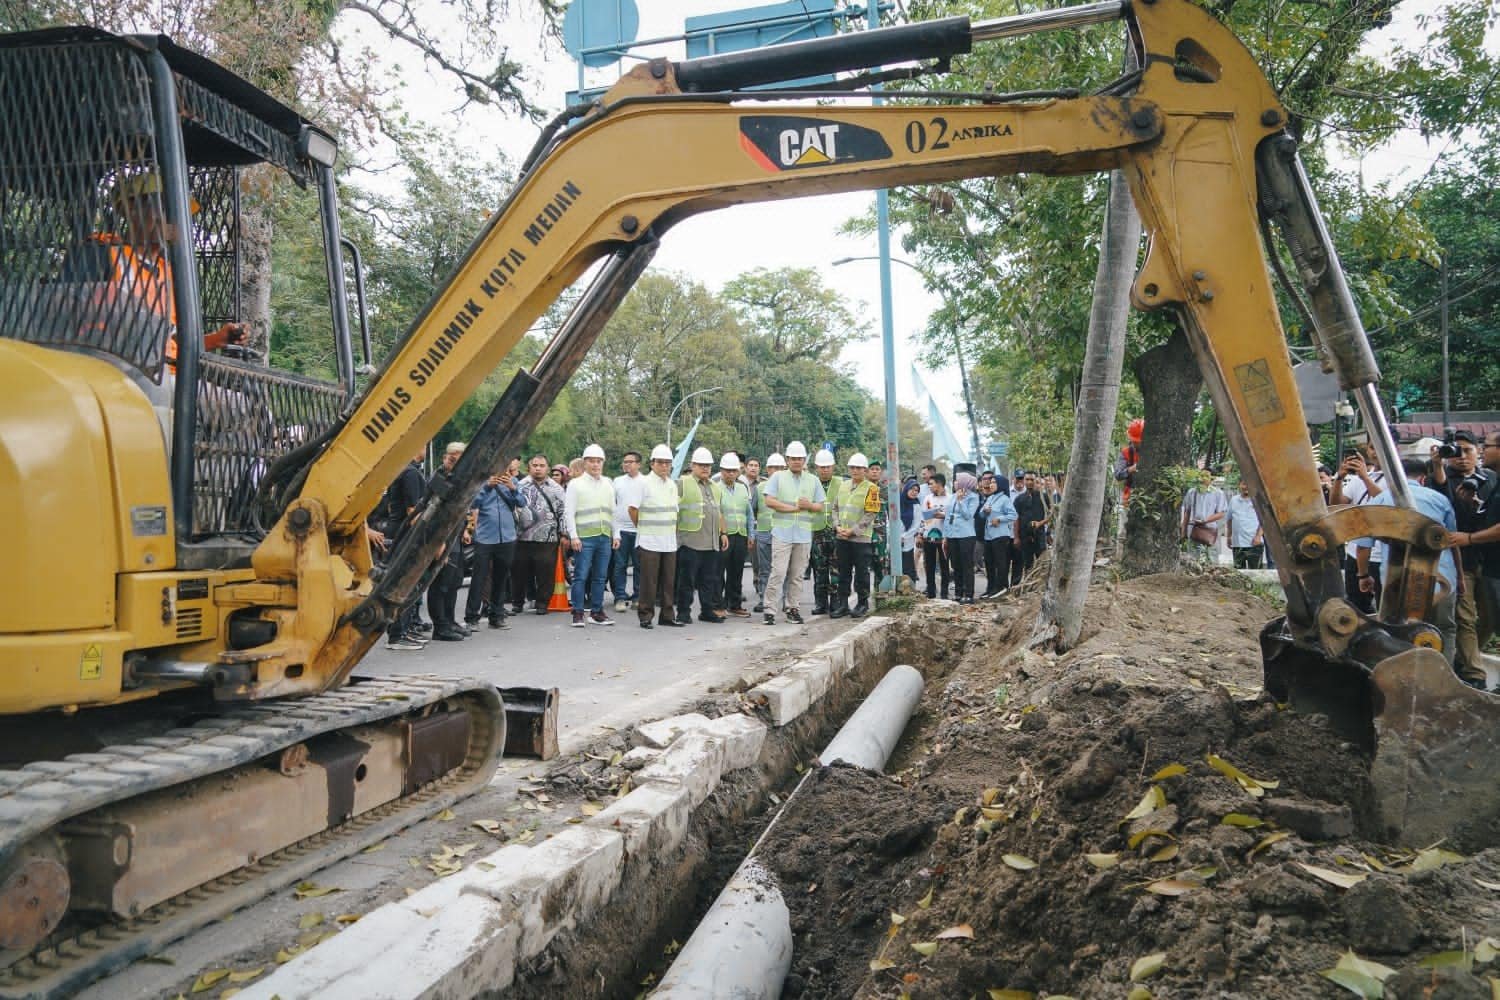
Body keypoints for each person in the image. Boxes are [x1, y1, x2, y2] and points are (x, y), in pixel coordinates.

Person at [73, 172, 249, 370]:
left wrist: (216, 339)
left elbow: (171, 339)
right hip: (119, 373)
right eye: (165, 208)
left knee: (240, 399)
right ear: (132, 209)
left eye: (178, 212)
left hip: (167, 378)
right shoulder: (101, 254)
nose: (172, 220)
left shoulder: (168, 273)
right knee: (234, 402)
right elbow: (65, 314)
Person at [1356, 457, 1460, 673]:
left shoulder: (1380, 500)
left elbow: (1364, 546)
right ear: (1423, 478)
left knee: (1394, 629)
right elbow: (1453, 540)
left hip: (1397, 581)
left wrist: (1363, 575)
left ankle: (1397, 675)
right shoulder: (1439, 499)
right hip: (1442, 578)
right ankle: (1443, 677)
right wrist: (1459, 576)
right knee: (1444, 628)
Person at [1429, 431, 1498, 684]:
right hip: (1460, 560)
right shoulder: (1443, 479)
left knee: (1490, 618)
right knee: (1465, 618)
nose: (1462, 457)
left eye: (1467, 450)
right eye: (1455, 451)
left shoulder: (1491, 478)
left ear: (1478, 451)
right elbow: (1439, 493)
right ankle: (1474, 673)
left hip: (1488, 558)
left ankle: (1465, 657)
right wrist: (1438, 465)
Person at [761, 441, 826, 625]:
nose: (797, 461)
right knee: (778, 572)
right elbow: (769, 501)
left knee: (797, 575)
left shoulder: (812, 480)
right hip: (782, 533)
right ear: (787, 460)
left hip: (803, 535)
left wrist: (809, 506)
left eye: (800, 458)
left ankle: (792, 608)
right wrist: (793, 509)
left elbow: (820, 506)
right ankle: (769, 610)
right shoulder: (778, 478)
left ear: (805, 460)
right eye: (793, 458)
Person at [564, 443, 618, 627]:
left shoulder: (608, 484)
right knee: (580, 576)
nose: (595, 465)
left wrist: (616, 534)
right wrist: (573, 536)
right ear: (585, 463)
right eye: (592, 461)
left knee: (600, 577)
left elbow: (614, 511)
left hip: (604, 536)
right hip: (584, 538)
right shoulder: (575, 484)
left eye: (598, 461)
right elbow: (569, 512)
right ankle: (578, 612)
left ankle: (596, 612)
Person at [464, 461, 523, 629]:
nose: (502, 470)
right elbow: (473, 504)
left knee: (501, 578)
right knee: (479, 578)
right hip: (485, 537)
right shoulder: (480, 482)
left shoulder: (514, 481)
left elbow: (522, 503)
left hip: (507, 536)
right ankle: (471, 618)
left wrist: (512, 488)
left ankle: (496, 616)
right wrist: (487, 487)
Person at [383, 451, 432, 651]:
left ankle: (405, 629)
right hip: (406, 534)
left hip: (400, 532)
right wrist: (424, 539)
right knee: (405, 583)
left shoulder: (406, 470)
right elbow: (414, 511)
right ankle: (398, 634)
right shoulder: (410, 473)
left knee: (408, 584)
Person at [1330, 444, 1386, 613]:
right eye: (1371, 447)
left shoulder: (1398, 479)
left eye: (1378, 446)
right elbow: (1336, 505)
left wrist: (1365, 478)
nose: (1375, 451)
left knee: (1384, 606)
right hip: (1355, 552)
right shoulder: (1356, 481)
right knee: (1356, 606)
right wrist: (1339, 478)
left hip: (1381, 555)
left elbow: (1386, 503)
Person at [676, 447, 728, 624]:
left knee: (709, 581)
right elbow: (674, 510)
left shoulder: (715, 487)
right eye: (701, 465)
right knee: (687, 581)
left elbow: (719, 512)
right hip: (690, 542)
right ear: (693, 465)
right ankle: (683, 612)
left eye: (708, 465)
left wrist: (723, 533)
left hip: (711, 542)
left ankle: (707, 610)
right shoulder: (683, 483)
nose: (705, 468)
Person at [425, 442, 470, 641]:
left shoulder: (459, 478)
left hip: (456, 534)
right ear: (446, 457)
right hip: (442, 536)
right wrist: (439, 541)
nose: (455, 462)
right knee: (441, 584)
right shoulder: (439, 478)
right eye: (453, 458)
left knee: (454, 581)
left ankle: (450, 621)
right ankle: (440, 625)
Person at [633, 444, 680, 629]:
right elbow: (632, 509)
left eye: (667, 463)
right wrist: (643, 528)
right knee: (649, 582)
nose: (664, 466)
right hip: (649, 540)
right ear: (652, 463)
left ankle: (667, 616)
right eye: (660, 462)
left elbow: (674, 512)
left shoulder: (672, 484)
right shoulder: (643, 483)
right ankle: (645, 616)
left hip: (669, 541)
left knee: (668, 582)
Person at [514, 454, 568, 615]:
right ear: (529, 467)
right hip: (522, 536)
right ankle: (517, 602)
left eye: (542, 465)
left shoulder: (556, 488)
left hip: (548, 537)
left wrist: (564, 534)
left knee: (545, 571)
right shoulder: (520, 485)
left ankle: (542, 603)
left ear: (547, 467)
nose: (538, 468)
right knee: (519, 571)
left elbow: (563, 512)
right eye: (535, 465)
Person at [832, 452, 880, 618]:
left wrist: (854, 530)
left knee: (861, 572)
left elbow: (870, 513)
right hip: (842, 536)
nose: (855, 470)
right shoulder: (843, 486)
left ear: (865, 470)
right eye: (852, 467)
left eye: (859, 468)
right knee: (843, 571)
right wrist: (837, 526)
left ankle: (862, 603)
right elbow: (835, 508)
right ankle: (843, 604)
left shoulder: (872, 488)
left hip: (861, 538)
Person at [717, 452, 756, 617]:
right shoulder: (715, 488)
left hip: (741, 535)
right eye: (727, 470)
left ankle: (735, 604)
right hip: (723, 536)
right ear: (721, 471)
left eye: (734, 470)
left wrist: (751, 535)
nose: (731, 473)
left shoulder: (742, 488)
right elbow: (716, 513)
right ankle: (719, 604)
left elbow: (749, 513)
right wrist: (721, 533)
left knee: (737, 571)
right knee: (718, 572)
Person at [808, 449, 844, 615]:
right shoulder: (811, 483)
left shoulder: (841, 483)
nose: (824, 469)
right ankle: (820, 603)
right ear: (816, 467)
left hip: (836, 532)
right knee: (819, 570)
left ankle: (836, 602)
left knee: (836, 569)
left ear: (833, 467)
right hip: (817, 532)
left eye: (827, 466)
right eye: (821, 467)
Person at [609, 451, 644, 612]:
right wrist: (615, 531)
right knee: (620, 565)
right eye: (625, 462)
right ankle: (620, 597)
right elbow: (612, 506)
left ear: (639, 464)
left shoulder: (645, 482)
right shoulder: (617, 482)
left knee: (639, 566)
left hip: (640, 530)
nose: (626, 464)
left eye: (630, 462)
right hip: (621, 530)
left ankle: (638, 597)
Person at [943, 472, 980, 604]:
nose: (955, 483)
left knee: (967, 565)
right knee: (956, 565)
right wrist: (945, 536)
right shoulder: (953, 496)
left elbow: (968, 515)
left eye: (957, 481)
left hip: (966, 535)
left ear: (964, 483)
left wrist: (960, 501)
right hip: (952, 535)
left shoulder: (973, 497)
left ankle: (969, 594)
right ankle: (958, 593)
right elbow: (948, 516)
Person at [980, 474, 1018, 598]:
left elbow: (1013, 515)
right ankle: (990, 588)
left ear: (1001, 485)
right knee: (989, 562)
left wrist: (1000, 519)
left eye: (994, 482)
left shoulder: (1005, 499)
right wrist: (984, 512)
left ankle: (1001, 587)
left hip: (1001, 535)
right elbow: (981, 514)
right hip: (988, 535)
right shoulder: (990, 498)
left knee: (1000, 562)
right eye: (990, 482)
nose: (991, 484)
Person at [750, 454, 779, 613]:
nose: (776, 471)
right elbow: (752, 511)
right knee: (764, 569)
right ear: (768, 470)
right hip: (763, 534)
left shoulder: (789, 488)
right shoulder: (760, 488)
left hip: (783, 535)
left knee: (784, 570)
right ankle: (763, 599)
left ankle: (784, 600)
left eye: (780, 468)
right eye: (773, 468)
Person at [1180, 469, 1226, 561]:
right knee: (1192, 559)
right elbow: (1187, 512)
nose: (1203, 478)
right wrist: (1183, 531)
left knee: (1212, 559)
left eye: (1206, 476)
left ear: (1212, 479)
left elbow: (1221, 513)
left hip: (1210, 532)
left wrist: (1205, 520)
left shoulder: (1218, 493)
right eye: (1201, 475)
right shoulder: (1192, 492)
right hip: (1194, 531)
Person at [1013, 472, 1049, 583]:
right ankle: (1026, 585)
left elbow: (1051, 514)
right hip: (1025, 536)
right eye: (1027, 479)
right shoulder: (1019, 499)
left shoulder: (1043, 497)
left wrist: (1040, 523)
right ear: (1024, 481)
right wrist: (1016, 537)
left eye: (1032, 480)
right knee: (1027, 563)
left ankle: (1040, 585)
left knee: (1041, 562)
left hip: (1040, 535)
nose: (1029, 482)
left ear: (1036, 481)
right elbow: (1016, 518)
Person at [920, 473, 951, 599]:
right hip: (928, 536)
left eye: (931, 484)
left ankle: (944, 593)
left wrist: (943, 516)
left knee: (944, 566)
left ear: (939, 484)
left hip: (944, 537)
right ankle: (931, 592)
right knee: (929, 566)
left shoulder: (950, 499)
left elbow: (953, 517)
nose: (930, 487)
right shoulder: (928, 499)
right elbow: (923, 518)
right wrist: (920, 534)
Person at [1225, 479, 1264, 569]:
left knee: (1256, 574)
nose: (1246, 487)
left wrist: (1258, 536)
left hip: (1254, 544)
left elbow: (1264, 521)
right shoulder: (1234, 500)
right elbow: (1229, 519)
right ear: (1239, 485)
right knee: (1239, 575)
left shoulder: (1258, 500)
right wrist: (1229, 536)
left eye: (1248, 484)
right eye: (1243, 484)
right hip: (1237, 544)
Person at [868, 460, 891, 585]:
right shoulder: (863, 488)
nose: (875, 471)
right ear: (867, 471)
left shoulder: (885, 491)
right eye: (872, 469)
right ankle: (863, 600)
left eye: (877, 469)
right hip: (864, 532)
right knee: (863, 566)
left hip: (880, 533)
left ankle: (879, 595)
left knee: (880, 565)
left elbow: (891, 514)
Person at [1115, 418, 1144, 506]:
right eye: (1134, 441)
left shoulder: (1154, 452)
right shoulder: (1125, 453)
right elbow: (1118, 475)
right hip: (1129, 498)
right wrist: (1130, 470)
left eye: (1137, 442)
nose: (1136, 444)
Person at [899, 478, 921, 583]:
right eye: (912, 489)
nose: (914, 492)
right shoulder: (897, 502)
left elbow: (916, 525)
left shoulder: (916, 505)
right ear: (906, 489)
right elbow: (890, 520)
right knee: (894, 566)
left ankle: (909, 590)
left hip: (907, 541)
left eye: (917, 490)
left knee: (908, 567)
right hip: (894, 540)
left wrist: (904, 536)